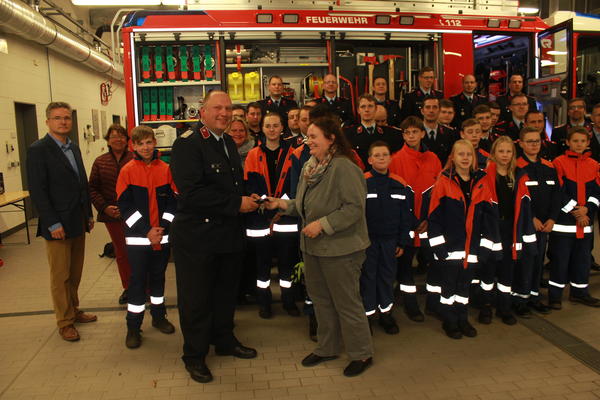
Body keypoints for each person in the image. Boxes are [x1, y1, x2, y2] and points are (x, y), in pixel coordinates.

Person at [265, 116, 374, 377]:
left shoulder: (344, 167)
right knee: (321, 301)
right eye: (307, 136)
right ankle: (328, 347)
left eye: (314, 137)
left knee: (347, 303)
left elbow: (354, 208)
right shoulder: (310, 167)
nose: (308, 141)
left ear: (331, 138)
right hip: (313, 248)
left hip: (341, 249)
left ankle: (362, 353)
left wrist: (322, 224)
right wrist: (280, 204)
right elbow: (303, 205)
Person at [170, 90, 259, 384]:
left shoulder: (228, 144)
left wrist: (246, 198)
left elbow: (228, 187)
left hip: (227, 235)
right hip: (198, 236)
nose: (224, 112)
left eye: (228, 108)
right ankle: (194, 356)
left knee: (224, 294)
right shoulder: (189, 145)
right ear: (202, 112)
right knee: (196, 300)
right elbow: (192, 192)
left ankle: (224, 340)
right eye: (217, 108)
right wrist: (237, 204)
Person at [27, 101, 96, 342]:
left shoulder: (73, 148)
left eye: (66, 118)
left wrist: (88, 214)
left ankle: (74, 310)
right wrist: (52, 223)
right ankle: (64, 321)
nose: (63, 122)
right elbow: (38, 190)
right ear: (47, 121)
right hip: (57, 225)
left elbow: (82, 184)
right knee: (60, 276)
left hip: (77, 220)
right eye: (57, 118)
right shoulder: (39, 149)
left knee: (74, 273)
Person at [427, 139, 497, 339]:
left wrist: (485, 247)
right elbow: (434, 218)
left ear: (474, 158)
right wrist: (439, 248)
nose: (465, 158)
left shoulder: (482, 182)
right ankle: (450, 321)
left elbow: (490, 220)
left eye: (469, 154)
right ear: (452, 158)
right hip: (450, 249)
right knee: (448, 288)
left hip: (472, 249)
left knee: (465, 287)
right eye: (461, 154)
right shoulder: (443, 181)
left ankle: (462, 319)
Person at [116, 125, 178, 349]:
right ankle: (133, 327)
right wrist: (147, 231)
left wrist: (162, 227)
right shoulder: (127, 171)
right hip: (138, 241)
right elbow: (125, 207)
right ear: (133, 145)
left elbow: (173, 202)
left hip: (162, 238)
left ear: (155, 143)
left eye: (149, 142)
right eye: (140, 143)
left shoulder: (166, 169)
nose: (145, 147)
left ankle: (159, 317)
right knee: (137, 283)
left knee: (159, 279)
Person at [244, 112, 300, 318]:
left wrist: (279, 206)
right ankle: (264, 302)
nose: (272, 129)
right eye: (268, 126)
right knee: (262, 265)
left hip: (286, 217)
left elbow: (295, 185)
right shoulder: (253, 154)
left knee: (287, 264)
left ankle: (289, 301)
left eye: (276, 125)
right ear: (263, 128)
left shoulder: (294, 153)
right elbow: (250, 184)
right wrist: (266, 202)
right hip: (260, 218)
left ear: (282, 128)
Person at [478, 136, 536, 325]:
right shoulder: (484, 175)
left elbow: (525, 208)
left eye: (508, 151)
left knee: (507, 271)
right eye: (501, 151)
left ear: (513, 154)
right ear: (493, 153)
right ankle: (485, 307)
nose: (504, 155)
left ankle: (504, 307)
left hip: (511, 229)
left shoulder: (520, 175)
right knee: (488, 271)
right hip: (491, 230)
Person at [389, 116, 442, 321]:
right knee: (405, 268)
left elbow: (438, 193)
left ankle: (433, 304)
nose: (411, 136)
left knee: (435, 264)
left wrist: (428, 218)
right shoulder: (395, 160)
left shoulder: (434, 159)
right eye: (407, 132)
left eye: (415, 132)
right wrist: (411, 221)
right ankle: (411, 306)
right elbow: (395, 198)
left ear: (422, 133)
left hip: (430, 223)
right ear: (403, 135)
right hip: (406, 224)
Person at [361, 141, 413, 334]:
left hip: (391, 241)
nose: (381, 158)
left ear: (391, 158)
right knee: (368, 277)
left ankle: (386, 315)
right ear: (370, 160)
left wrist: (402, 241)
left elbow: (405, 217)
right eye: (377, 155)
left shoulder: (400, 184)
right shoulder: (362, 181)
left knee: (387, 277)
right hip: (368, 241)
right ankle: (367, 316)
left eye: (385, 155)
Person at [548, 127, 600, 308]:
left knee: (583, 260)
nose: (579, 144)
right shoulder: (558, 162)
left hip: (584, 223)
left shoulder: (594, 165)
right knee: (560, 261)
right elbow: (558, 191)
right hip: (564, 224)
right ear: (568, 142)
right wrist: (576, 211)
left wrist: (587, 209)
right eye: (575, 141)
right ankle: (555, 296)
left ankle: (580, 292)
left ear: (588, 143)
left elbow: (597, 192)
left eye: (583, 141)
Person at [512, 127, 559, 316]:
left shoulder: (549, 167)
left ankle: (533, 297)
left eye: (537, 141)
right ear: (521, 143)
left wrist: (552, 219)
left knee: (538, 262)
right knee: (523, 262)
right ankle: (519, 300)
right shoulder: (516, 167)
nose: (534, 145)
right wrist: (531, 218)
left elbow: (557, 195)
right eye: (529, 141)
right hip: (525, 225)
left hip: (544, 226)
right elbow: (517, 198)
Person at [89, 124, 134, 305]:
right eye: (113, 136)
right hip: (111, 216)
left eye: (121, 135)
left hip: (134, 215)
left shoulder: (134, 159)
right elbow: (92, 188)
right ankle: (128, 288)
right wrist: (104, 207)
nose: (118, 139)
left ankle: (144, 287)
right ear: (107, 140)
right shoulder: (100, 162)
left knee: (139, 252)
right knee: (121, 252)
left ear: (127, 140)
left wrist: (130, 207)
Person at [345, 94, 403, 168]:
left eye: (370, 106)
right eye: (363, 107)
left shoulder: (391, 133)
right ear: (358, 110)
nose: (367, 110)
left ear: (376, 109)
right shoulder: (348, 134)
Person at [420, 96, 456, 165]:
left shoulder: (449, 133)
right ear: (422, 111)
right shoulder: (415, 132)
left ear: (439, 110)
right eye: (428, 107)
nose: (431, 111)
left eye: (435, 107)